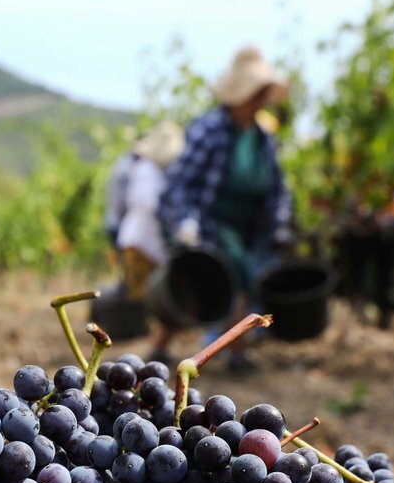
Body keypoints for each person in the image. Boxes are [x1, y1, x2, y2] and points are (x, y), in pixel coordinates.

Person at [151, 45, 293, 371]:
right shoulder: (211, 129)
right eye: (254, 93)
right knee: (207, 276)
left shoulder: (262, 138)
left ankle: (231, 351)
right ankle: (226, 351)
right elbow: (180, 181)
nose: (258, 101)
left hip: (247, 225)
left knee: (237, 279)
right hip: (209, 219)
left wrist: (281, 222)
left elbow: (276, 189)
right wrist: (184, 221)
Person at [115, 120, 185, 298]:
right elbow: (151, 205)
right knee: (141, 297)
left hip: (152, 245)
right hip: (139, 243)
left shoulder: (163, 171)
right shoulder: (145, 170)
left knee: (155, 297)